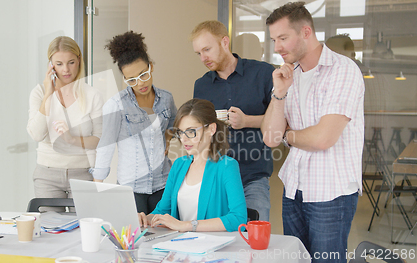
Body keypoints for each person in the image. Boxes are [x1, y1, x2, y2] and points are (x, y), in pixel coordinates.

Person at [262, 2, 364, 262]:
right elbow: (270, 137)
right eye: (274, 40)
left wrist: (289, 135)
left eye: (283, 38)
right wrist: (279, 93)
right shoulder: (288, 76)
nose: (277, 48)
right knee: (295, 259)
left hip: (331, 192)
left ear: (306, 32)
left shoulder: (343, 70)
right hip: (294, 188)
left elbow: (323, 138)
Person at [191, 20, 275, 222]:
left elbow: (282, 120)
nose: (203, 58)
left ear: (225, 42)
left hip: (253, 177)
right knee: (218, 243)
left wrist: (247, 120)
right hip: (216, 178)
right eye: (198, 53)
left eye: (207, 49)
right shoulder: (201, 86)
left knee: (255, 242)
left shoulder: (263, 74)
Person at [91, 31, 177, 214]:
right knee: (135, 239)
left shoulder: (166, 98)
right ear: (124, 79)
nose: (140, 83)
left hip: (163, 183)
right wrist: (96, 188)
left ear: (151, 67)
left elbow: (173, 125)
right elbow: (106, 146)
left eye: (143, 75)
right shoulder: (116, 105)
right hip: (131, 188)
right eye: (131, 80)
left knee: (163, 236)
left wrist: (167, 140)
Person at [138, 99, 247, 232]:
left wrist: (185, 225)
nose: (184, 139)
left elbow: (238, 218)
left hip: (211, 247)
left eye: (191, 132)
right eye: (180, 132)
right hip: (180, 245)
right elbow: (162, 210)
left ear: (211, 129)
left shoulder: (227, 166)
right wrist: (145, 219)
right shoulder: (179, 165)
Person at [27, 36, 104, 209]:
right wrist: (48, 93)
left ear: (79, 61)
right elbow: (37, 134)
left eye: (71, 62)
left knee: (84, 229)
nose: (66, 70)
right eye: (59, 64)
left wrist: (71, 140)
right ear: (50, 65)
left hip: (83, 174)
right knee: (50, 230)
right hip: (47, 175)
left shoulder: (92, 95)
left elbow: (99, 139)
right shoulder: (39, 93)